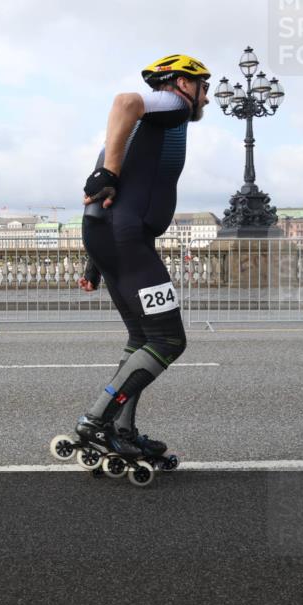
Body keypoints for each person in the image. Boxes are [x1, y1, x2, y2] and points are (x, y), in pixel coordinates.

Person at [74, 54, 211, 461]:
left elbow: (105, 194)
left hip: (112, 237)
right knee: (169, 341)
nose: (207, 98)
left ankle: (122, 430)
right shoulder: (172, 105)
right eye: (203, 87)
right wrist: (109, 174)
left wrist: (95, 262)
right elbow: (124, 101)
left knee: (142, 340)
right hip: (126, 238)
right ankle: (96, 421)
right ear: (184, 83)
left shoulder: (134, 131)